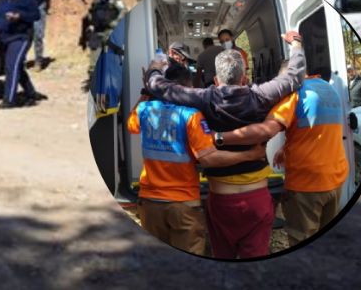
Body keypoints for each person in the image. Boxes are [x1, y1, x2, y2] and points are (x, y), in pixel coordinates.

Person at [143, 31, 305, 259]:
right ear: (244, 78)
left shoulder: (204, 98)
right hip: (257, 199)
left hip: (220, 201)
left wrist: (155, 67)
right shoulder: (261, 96)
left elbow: (159, 87)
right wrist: (296, 45)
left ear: (216, 80)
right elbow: (294, 77)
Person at [128, 65, 267, 255]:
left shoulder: (144, 110)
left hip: (149, 201)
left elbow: (131, 125)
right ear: (188, 87)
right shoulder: (191, 116)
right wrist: (249, 155)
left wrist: (147, 91)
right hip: (182, 202)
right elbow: (209, 159)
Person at [218, 61, 349, 247]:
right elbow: (315, 130)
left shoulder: (294, 95)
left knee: (301, 238)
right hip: (336, 178)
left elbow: (265, 131)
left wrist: (220, 138)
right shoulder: (329, 89)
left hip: (308, 184)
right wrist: (286, 147)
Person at [0, 0, 43, 109]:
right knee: (17, 66)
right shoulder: (2, 0)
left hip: (20, 37)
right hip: (4, 38)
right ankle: (31, 93)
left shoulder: (27, 0)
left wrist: (19, 16)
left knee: (11, 66)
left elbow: (36, 15)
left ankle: (9, 99)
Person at [81, 0, 127, 83]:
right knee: (94, 59)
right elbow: (92, 12)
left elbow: (123, 11)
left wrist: (114, 24)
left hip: (109, 31)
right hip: (96, 32)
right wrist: (91, 24)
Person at [22, 0, 52, 70]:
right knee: (25, 37)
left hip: (38, 14)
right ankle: (22, 61)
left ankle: (38, 61)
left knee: (38, 37)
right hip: (25, 14)